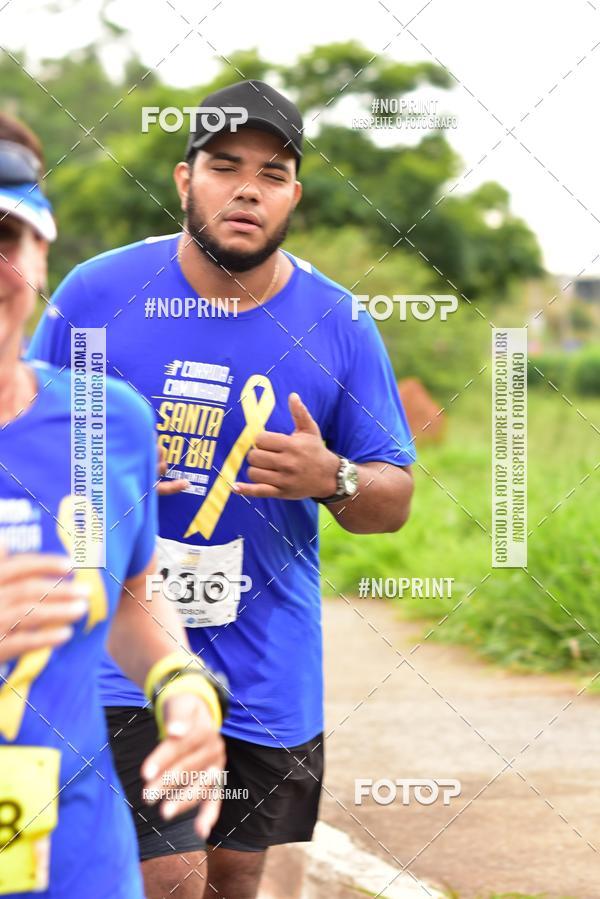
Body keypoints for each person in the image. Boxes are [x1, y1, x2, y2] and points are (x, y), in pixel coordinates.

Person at [28, 79, 416, 899]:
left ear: (294, 197)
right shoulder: (95, 296)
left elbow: (394, 500)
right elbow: (21, 439)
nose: (248, 189)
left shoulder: (340, 321)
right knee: (170, 875)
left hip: (270, 660)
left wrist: (333, 476)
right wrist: (97, 476)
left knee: (236, 880)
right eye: (225, 166)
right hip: (123, 650)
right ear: (184, 179)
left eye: (273, 174)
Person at [0, 114, 227, 898]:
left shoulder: (110, 422)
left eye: (5, 236)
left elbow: (130, 589)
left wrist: (182, 687)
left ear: (42, 253)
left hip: (80, 863)